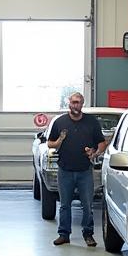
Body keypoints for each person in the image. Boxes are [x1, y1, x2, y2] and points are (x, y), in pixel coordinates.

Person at [47, 92, 106, 247]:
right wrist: (60, 140)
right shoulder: (60, 122)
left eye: (79, 102)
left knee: (87, 205)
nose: (76, 105)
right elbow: (50, 143)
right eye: (73, 102)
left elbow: (101, 143)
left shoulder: (91, 122)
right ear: (69, 103)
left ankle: (88, 234)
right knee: (65, 205)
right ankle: (64, 234)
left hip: (85, 171)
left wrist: (94, 153)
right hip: (65, 170)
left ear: (82, 104)